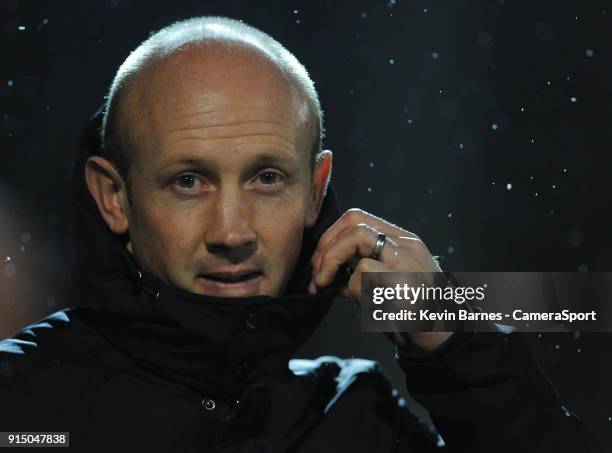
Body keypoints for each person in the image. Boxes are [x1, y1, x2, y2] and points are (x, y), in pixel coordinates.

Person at [0, 16, 602, 452]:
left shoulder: (354, 419)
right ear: (115, 197)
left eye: (267, 178)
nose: (231, 231)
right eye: (188, 181)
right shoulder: (25, 412)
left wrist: (454, 336)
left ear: (315, 191)